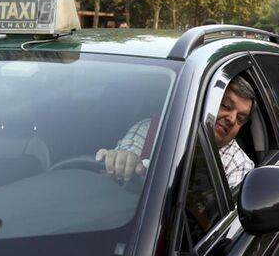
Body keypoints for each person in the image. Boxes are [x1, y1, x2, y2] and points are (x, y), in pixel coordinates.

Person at [96, 75, 256, 189]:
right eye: (226, 106)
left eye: (240, 119)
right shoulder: (151, 129)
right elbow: (127, 153)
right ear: (204, 100)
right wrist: (120, 161)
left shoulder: (239, 164)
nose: (232, 119)